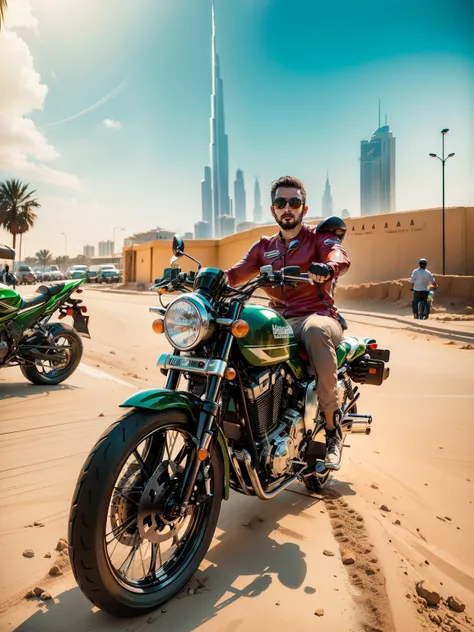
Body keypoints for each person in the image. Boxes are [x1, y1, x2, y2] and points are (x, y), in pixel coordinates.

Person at [226, 176, 350, 469]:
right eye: (281, 203)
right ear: (273, 210)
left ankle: (332, 430)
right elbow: (234, 274)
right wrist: (206, 280)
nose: (287, 208)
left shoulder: (318, 239)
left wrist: (328, 267)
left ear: (303, 209)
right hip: (281, 320)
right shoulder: (263, 247)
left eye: (294, 203)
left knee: (317, 330)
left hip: (317, 317)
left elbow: (339, 255)